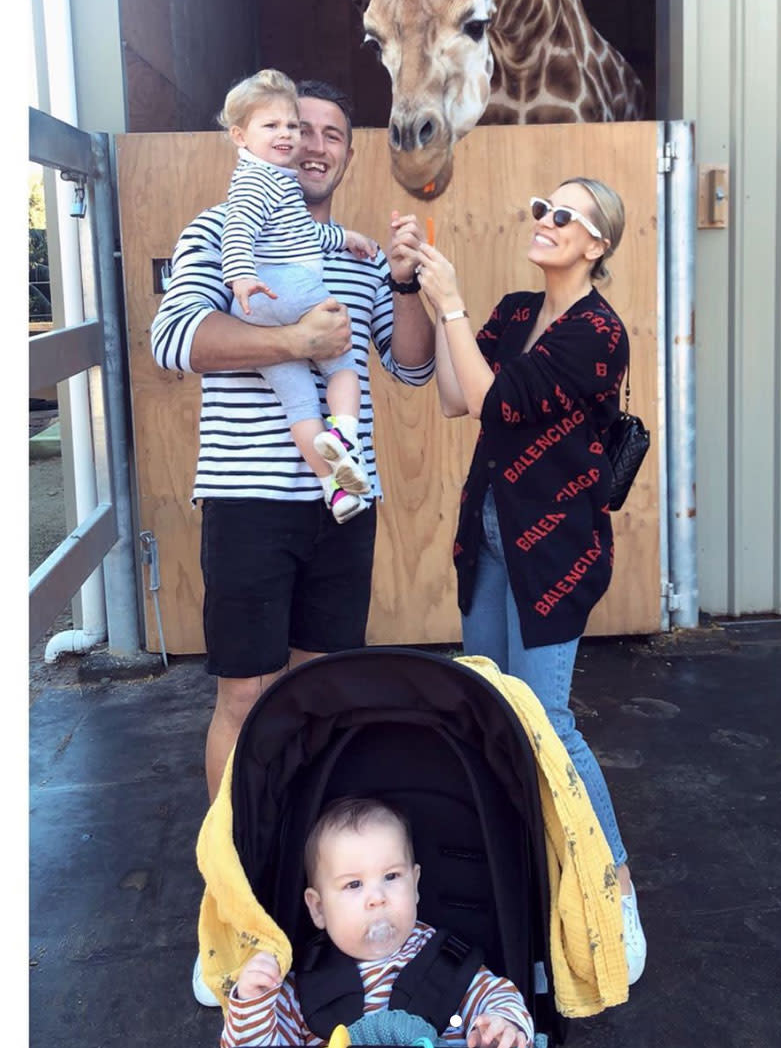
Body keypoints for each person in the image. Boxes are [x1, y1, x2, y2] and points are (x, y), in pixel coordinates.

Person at [150, 80, 435, 802]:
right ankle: (235, 872)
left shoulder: (359, 256)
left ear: (347, 153)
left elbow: (411, 365)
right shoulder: (218, 231)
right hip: (249, 502)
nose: (311, 144)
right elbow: (175, 338)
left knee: (325, 689)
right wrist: (290, 340)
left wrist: (404, 283)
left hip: (342, 503)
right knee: (246, 695)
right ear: (255, 139)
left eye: (330, 134)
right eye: (296, 128)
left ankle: (312, 850)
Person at [409, 178, 647, 985]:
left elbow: (496, 402)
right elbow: (450, 395)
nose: (544, 222)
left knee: (545, 716)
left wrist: (446, 304)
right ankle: (520, 884)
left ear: (596, 243)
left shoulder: (597, 334)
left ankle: (614, 887)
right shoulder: (514, 311)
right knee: (489, 709)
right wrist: (424, 286)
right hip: (488, 537)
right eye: (541, 209)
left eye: (564, 216)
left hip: (555, 555)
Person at [220, 797, 533, 1048]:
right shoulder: (300, 987)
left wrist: (504, 1023)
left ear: (415, 884)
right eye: (354, 885)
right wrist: (252, 1004)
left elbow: (496, 994)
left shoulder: (447, 961)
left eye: (392, 877)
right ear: (318, 908)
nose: (377, 898)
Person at [220, 68, 378, 523]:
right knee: (341, 364)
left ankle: (337, 491)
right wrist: (241, 275)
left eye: (291, 126)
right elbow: (238, 230)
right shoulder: (263, 182)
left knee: (301, 408)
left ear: (348, 153)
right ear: (240, 136)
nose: (294, 139)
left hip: (257, 308)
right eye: (283, 127)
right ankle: (345, 433)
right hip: (282, 288)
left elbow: (301, 234)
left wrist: (344, 237)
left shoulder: (268, 187)